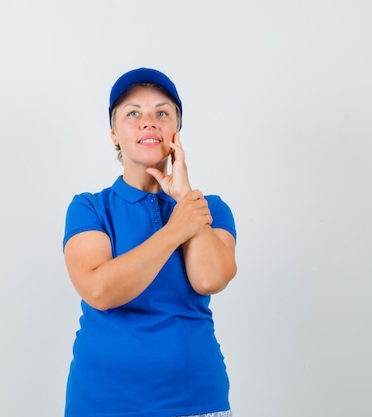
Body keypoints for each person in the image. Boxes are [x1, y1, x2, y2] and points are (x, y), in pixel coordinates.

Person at [62, 67, 238, 417]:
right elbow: (99, 289)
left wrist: (184, 198)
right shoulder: (89, 208)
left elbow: (211, 279)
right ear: (114, 134)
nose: (148, 122)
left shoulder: (210, 208)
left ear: (176, 130)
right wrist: (176, 229)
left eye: (162, 113)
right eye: (133, 114)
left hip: (197, 400)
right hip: (104, 403)